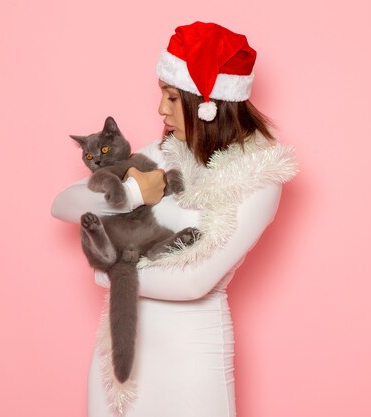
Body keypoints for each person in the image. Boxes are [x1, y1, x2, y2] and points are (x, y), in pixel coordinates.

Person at [51, 21, 297, 417]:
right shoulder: (163, 153)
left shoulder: (260, 176)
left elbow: (195, 283)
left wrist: (108, 274)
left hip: (189, 361)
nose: (159, 109)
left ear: (207, 104)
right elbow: (63, 205)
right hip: (119, 358)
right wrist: (132, 193)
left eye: (170, 97)